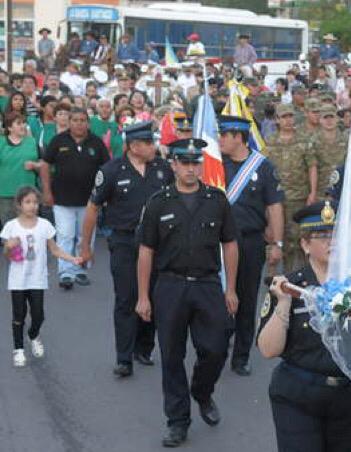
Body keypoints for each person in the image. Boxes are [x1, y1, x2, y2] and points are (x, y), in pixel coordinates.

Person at [135, 137, 239, 447]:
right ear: (174, 164)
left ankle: (202, 391)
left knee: (217, 347)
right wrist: (143, 295)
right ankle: (178, 421)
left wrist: (230, 288)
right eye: (185, 162)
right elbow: (146, 251)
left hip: (208, 284)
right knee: (171, 355)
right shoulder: (158, 202)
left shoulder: (217, 199)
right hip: (170, 286)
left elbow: (230, 244)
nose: (191, 168)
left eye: (196, 163)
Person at [259, 201, 351, 450]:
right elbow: (268, 350)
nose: (332, 242)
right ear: (305, 244)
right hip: (298, 395)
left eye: (336, 235)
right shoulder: (288, 286)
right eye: (322, 236)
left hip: (348, 396)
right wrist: (284, 304)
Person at [81, 121, 172, 377]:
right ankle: (124, 357)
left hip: (157, 245)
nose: (154, 147)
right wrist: (85, 246)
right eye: (148, 143)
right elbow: (92, 208)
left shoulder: (163, 170)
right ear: (133, 146)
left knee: (155, 295)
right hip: (124, 242)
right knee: (126, 297)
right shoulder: (111, 171)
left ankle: (144, 347)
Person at [217, 116, 284, 376]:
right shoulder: (215, 163)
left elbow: (274, 206)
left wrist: (277, 243)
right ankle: (217, 345)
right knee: (216, 296)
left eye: (225, 135)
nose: (220, 139)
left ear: (239, 137)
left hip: (249, 240)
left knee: (246, 298)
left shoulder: (263, 167)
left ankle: (241, 355)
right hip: (217, 242)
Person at [3, 186, 82, 367]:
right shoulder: (11, 227)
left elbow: (54, 249)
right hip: (18, 280)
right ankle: (19, 350)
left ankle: (33, 335)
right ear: (19, 204)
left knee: (38, 315)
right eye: (28, 202)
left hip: (37, 279)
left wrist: (72, 258)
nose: (32, 206)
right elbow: (8, 257)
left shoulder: (44, 226)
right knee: (19, 315)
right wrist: (8, 247)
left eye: (35, 202)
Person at [40, 108, 110, 289]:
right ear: (69, 122)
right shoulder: (58, 140)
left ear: (88, 123)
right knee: (65, 235)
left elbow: (107, 169)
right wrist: (46, 191)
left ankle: (81, 269)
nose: (79, 123)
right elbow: (45, 165)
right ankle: (65, 273)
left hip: (90, 202)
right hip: (62, 199)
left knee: (85, 236)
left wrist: (105, 195)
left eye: (82, 120)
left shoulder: (96, 142)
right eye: (75, 120)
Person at [264, 103, 317, 270]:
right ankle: (277, 282)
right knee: (278, 241)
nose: (288, 120)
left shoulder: (304, 140)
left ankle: (301, 278)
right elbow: (264, 170)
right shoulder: (270, 142)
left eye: (290, 116)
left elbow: (312, 166)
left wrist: (312, 193)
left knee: (300, 240)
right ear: (277, 120)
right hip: (276, 201)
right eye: (284, 117)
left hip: (299, 198)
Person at [0, 112, 42, 224]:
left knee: (30, 228)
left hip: (29, 195)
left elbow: (43, 164)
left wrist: (35, 165)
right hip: (5, 194)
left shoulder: (32, 141)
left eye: (24, 123)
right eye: (18, 123)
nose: (23, 126)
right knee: (9, 231)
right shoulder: (1, 142)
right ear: (9, 127)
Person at [308, 104, 347, 199]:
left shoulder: (347, 140)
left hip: (343, 190)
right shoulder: (313, 141)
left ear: (337, 119)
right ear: (320, 120)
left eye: (332, 117)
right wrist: (313, 192)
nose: (329, 121)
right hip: (322, 191)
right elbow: (312, 168)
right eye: (325, 117)